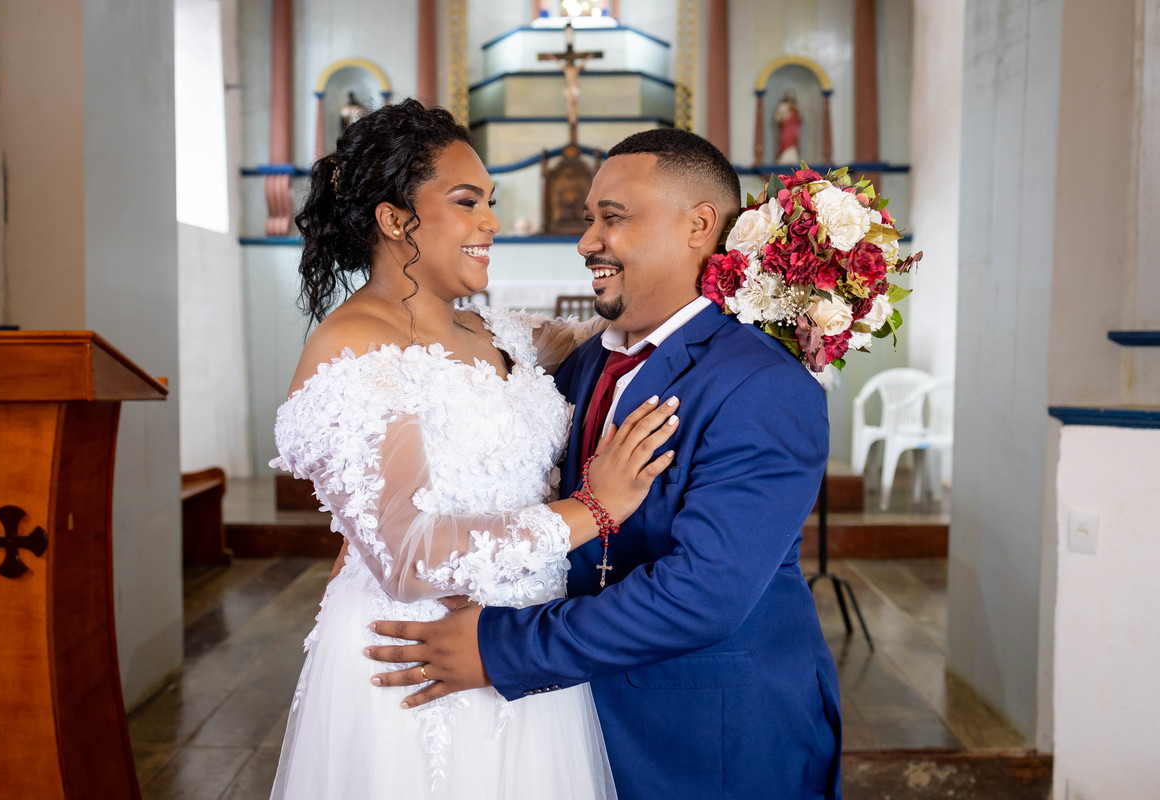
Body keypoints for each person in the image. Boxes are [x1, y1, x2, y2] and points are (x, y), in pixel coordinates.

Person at [367, 128, 843, 799]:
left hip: (714, 740)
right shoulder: (587, 360)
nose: (587, 241)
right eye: (590, 218)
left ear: (698, 226)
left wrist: (500, 647)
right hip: (575, 730)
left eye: (612, 218)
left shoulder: (762, 385)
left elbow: (703, 595)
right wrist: (378, 519)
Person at [268, 99, 679, 799]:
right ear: (395, 220)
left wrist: (759, 283)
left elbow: (620, 328)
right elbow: (406, 557)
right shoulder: (352, 347)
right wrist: (593, 510)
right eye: (467, 202)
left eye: (491, 202)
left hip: (525, 649)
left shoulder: (498, 331)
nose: (491, 221)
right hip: (418, 662)